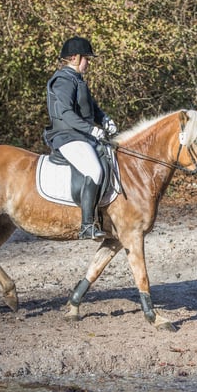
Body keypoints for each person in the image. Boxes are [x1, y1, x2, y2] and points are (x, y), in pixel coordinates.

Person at [44, 36, 117, 240]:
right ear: (75, 58)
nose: (89, 62)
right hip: (67, 136)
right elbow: (65, 113)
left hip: (82, 135)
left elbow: (93, 108)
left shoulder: (77, 80)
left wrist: (106, 120)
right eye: (87, 58)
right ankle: (87, 225)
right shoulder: (63, 80)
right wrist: (91, 130)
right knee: (94, 170)